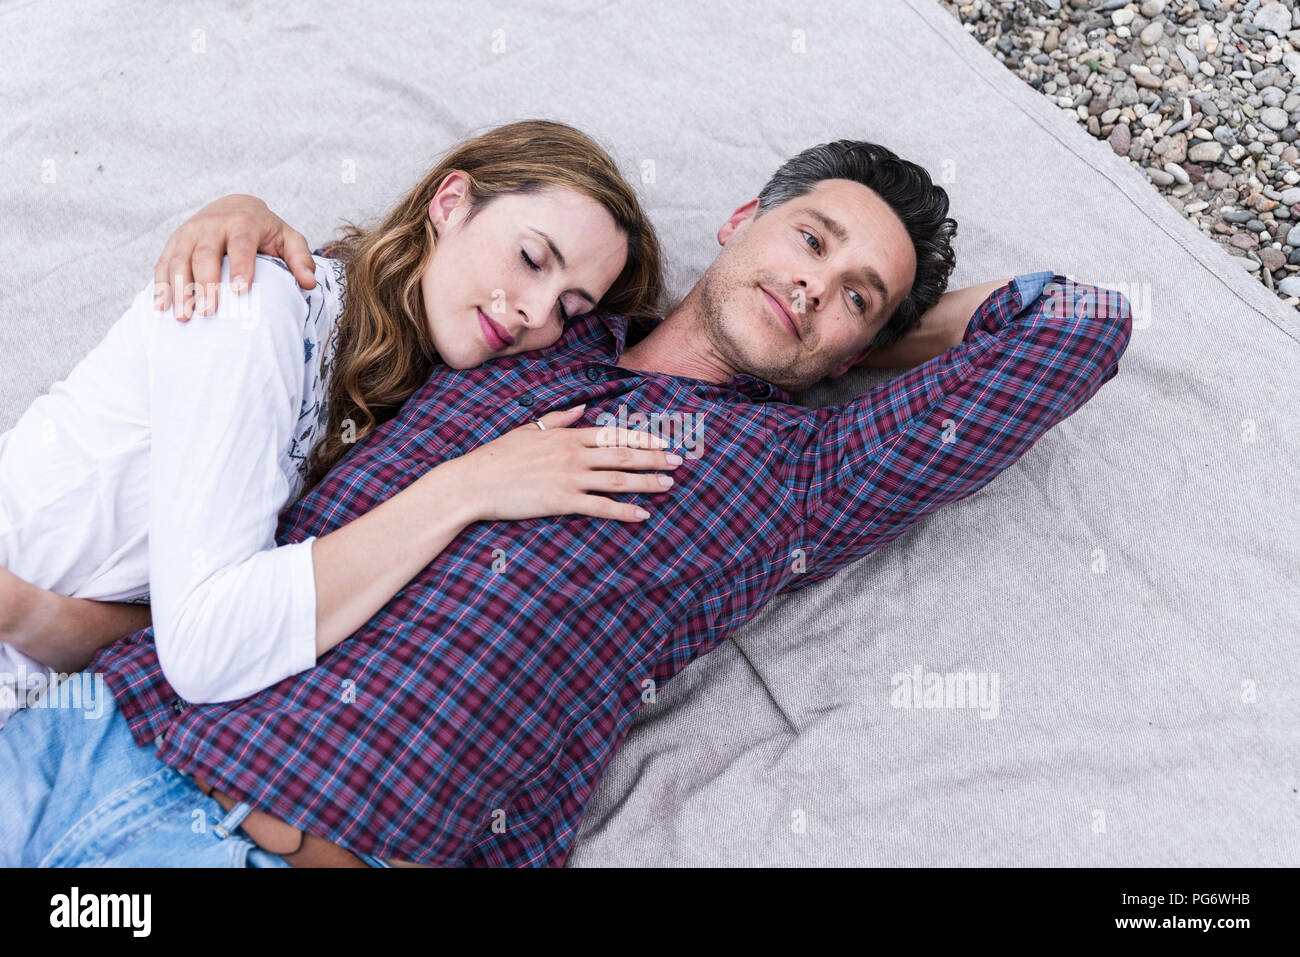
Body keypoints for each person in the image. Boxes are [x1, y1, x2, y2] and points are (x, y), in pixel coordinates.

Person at [0, 138, 1132, 867]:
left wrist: (875, 338)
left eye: (853, 297)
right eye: (810, 240)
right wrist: (238, 201)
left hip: (286, 845)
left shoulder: (804, 477)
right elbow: (410, 267)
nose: (810, 284)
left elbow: (1080, 326)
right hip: (89, 736)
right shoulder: (535, 326)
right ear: (742, 217)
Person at [0, 119, 679, 728]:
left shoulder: (396, 408)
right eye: (532, 259)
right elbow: (204, 650)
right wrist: (463, 491)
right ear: (450, 203)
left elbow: (171, 633)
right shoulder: (255, 306)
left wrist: (30, 614)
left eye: (570, 307)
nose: (535, 310)